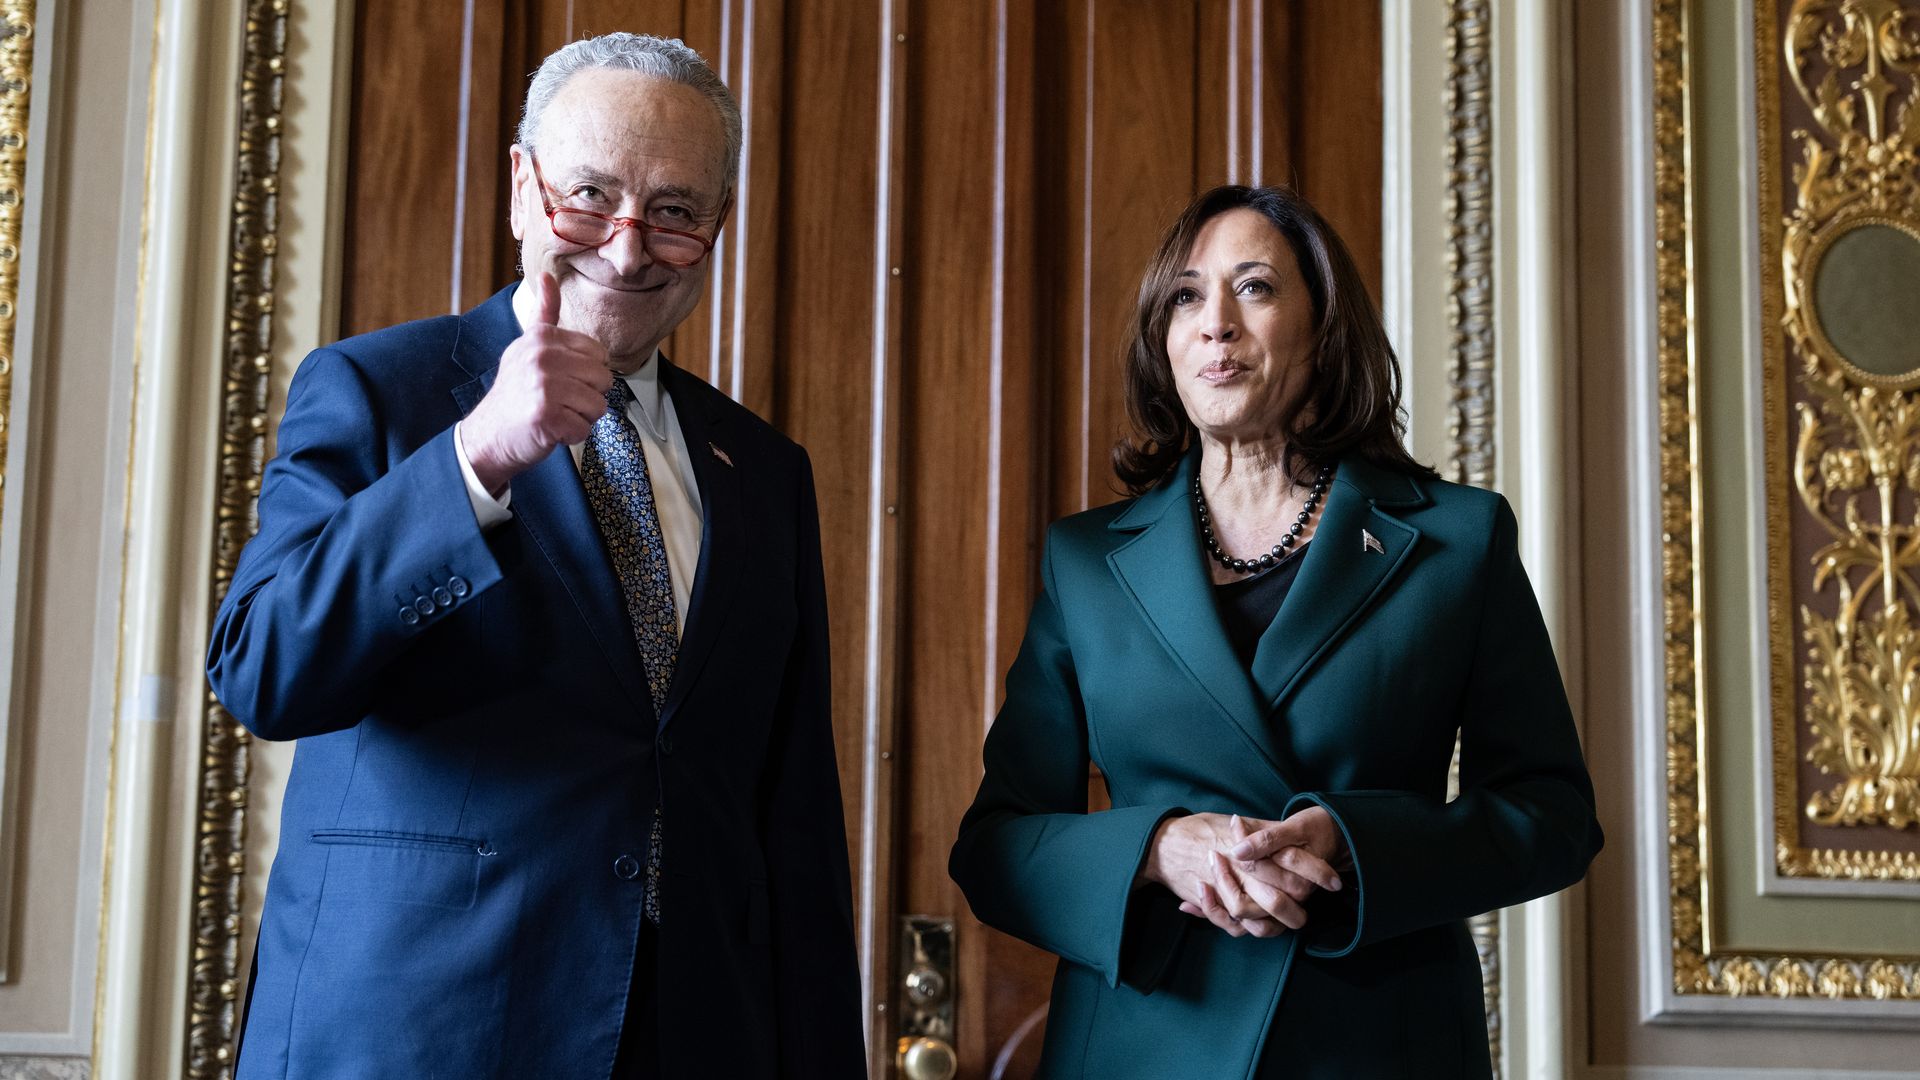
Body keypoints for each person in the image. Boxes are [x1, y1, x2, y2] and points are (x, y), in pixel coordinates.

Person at [208, 33, 864, 1079]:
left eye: (677, 212)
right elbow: (262, 668)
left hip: (692, 1036)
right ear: (523, 188)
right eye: (590, 195)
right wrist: (476, 458)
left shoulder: (766, 473)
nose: (627, 246)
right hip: (419, 1029)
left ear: (718, 226)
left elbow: (793, 823)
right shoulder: (379, 391)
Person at [949, 184, 1602, 1079]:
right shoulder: (1086, 562)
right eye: (1185, 296)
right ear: (1163, 337)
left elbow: (1552, 818)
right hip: (1146, 1045)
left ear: (1322, 325)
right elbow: (997, 844)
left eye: (1253, 288)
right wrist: (1152, 849)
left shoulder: (1458, 542)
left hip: (1376, 1041)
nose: (1215, 322)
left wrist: (1354, 844)